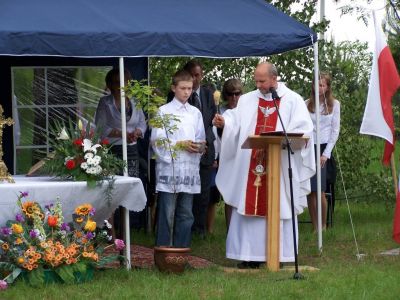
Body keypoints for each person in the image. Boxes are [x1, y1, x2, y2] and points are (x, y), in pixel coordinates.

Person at [212, 62, 315, 268]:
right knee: (250, 207)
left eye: (262, 81)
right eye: (256, 80)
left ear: (274, 79)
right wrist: (225, 124)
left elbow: (304, 129)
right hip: (251, 163)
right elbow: (235, 122)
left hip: (281, 162)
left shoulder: (292, 100)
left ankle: (281, 254)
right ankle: (250, 256)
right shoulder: (248, 100)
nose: (258, 85)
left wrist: (291, 137)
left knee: (281, 205)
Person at [151, 69, 206, 247]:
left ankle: (181, 251)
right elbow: (157, 141)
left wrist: (199, 146)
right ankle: (163, 250)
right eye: (183, 88)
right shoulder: (163, 111)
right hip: (170, 168)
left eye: (190, 88)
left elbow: (201, 137)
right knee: (167, 212)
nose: (187, 92)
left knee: (186, 213)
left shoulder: (195, 113)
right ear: (174, 88)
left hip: (189, 168)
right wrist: (179, 144)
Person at [182, 59, 217, 238]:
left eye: (199, 75)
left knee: (204, 192)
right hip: (187, 149)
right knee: (188, 191)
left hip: (205, 149)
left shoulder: (207, 93)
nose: (197, 79)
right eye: (193, 75)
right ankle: (185, 229)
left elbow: (210, 119)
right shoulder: (181, 94)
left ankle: (200, 230)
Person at [95, 68, 147, 178]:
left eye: (123, 82)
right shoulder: (105, 102)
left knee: (132, 181)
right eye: (116, 82)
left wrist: (137, 132)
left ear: (128, 83)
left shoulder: (135, 100)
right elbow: (101, 127)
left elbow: (142, 123)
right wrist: (123, 134)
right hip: (112, 149)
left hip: (132, 149)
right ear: (110, 84)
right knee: (114, 182)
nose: (120, 86)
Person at [306, 72, 340, 231]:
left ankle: (323, 225)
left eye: (322, 85)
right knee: (310, 191)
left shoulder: (335, 105)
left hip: (324, 148)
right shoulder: (307, 104)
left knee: (320, 191)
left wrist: (326, 154)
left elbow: (335, 131)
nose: (318, 88)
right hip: (309, 148)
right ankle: (315, 226)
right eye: (316, 84)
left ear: (327, 87)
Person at [209, 78, 243, 233]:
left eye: (237, 94)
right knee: (228, 192)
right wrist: (215, 157)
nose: (234, 98)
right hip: (225, 157)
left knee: (241, 193)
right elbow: (215, 137)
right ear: (225, 95)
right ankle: (230, 229)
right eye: (230, 94)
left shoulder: (246, 110)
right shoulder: (220, 111)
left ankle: (242, 228)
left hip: (242, 156)